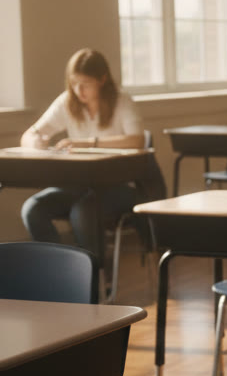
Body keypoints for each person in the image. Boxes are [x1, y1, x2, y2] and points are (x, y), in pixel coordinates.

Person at [20, 48, 146, 258]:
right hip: (76, 185)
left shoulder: (122, 102)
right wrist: (36, 142)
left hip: (116, 187)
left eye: (85, 83)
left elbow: (137, 140)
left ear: (102, 80)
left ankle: (91, 278)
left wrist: (88, 143)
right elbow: (29, 134)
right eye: (74, 82)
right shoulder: (66, 102)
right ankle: (57, 268)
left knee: (83, 211)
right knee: (33, 209)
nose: (79, 90)